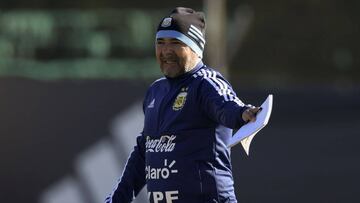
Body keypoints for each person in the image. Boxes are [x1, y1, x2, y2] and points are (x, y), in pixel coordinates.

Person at [106, 7, 260, 203]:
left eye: (176, 42)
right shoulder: (155, 90)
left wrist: (242, 113)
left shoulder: (206, 83)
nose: (166, 50)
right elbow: (145, 152)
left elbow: (227, 105)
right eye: (160, 43)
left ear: (195, 48)